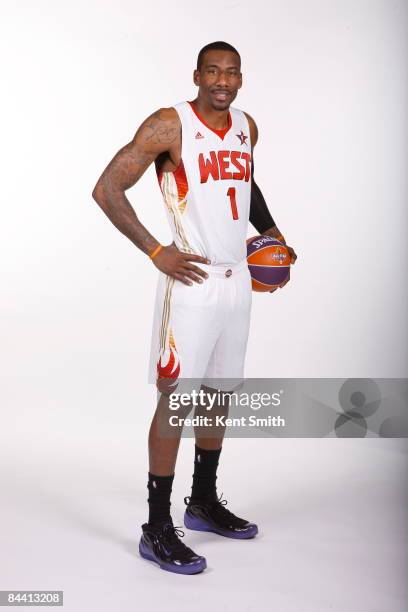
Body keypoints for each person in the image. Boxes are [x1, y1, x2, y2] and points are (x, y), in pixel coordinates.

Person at [92, 40, 297, 575]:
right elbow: (107, 188)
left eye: (231, 72)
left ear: (241, 78)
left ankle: (202, 501)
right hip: (193, 279)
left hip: (237, 278)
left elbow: (244, 182)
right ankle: (157, 527)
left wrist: (272, 236)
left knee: (220, 394)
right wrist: (157, 251)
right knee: (176, 402)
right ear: (197, 75)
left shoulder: (248, 126)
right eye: (213, 71)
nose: (222, 80)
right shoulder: (169, 124)